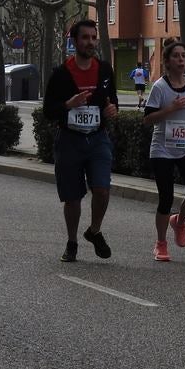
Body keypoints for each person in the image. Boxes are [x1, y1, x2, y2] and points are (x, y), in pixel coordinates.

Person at [43, 19, 119, 262]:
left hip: (98, 138)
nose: (90, 42)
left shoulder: (105, 70)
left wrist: (111, 110)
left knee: (102, 189)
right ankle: (72, 242)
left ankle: (94, 230)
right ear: (74, 41)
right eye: (85, 38)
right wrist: (68, 104)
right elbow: (48, 110)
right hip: (70, 140)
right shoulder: (61, 73)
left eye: (93, 37)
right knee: (72, 197)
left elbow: (112, 100)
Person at [142, 38, 185, 261]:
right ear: (167, 62)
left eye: (183, 56)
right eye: (176, 56)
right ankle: (161, 243)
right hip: (163, 149)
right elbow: (147, 119)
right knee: (166, 197)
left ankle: (178, 222)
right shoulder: (160, 87)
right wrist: (170, 109)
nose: (181, 59)